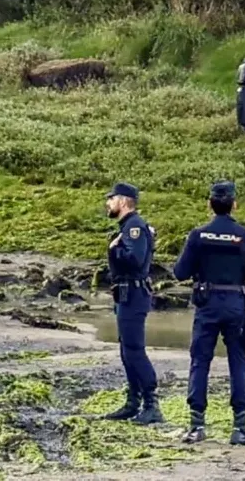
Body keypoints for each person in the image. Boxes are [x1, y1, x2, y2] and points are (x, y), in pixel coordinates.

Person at [173, 180, 245, 446]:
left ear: (210, 204)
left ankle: (196, 425)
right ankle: (240, 427)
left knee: (200, 360)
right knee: (238, 361)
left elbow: (180, 272)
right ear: (234, 205)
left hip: (206, 304)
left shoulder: (198, 235)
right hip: (236, 304)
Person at [102, 182, 163, 425]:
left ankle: (151, 404)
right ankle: (133, 401)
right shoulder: (128, 226)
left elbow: (135, 261)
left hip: (134, 294)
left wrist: (113, 251)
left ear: (124, 201)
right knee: (126, 350)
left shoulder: (134, 227)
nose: (108, 203)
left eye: (111, 198)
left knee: (134, 350)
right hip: (125, 294)